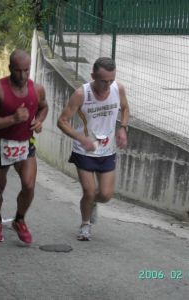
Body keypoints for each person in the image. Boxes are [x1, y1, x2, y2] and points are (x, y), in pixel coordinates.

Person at [57, 57, 130, 241]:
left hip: (107, 150)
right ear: (93, 76)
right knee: (89, 191)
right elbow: (62, 121)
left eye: (111, 80)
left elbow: (126, 108)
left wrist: (123, 128)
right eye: (103, 81)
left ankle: (92, 204)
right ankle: (85, 224)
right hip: (85, 151)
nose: (107, 85)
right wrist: (81, 138)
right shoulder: (82, 94)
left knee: (105, 195)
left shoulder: (118, 89)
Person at [0, 49, 48, 244]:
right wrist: (13, 118)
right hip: (2, 144)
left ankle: (19, 219)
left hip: (26, 143)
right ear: (10, 68)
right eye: (18, 70)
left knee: (29, 186)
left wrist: (39, 120)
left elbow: (44, 107)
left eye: (26, 70)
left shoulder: (37, 89)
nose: (22, 75)